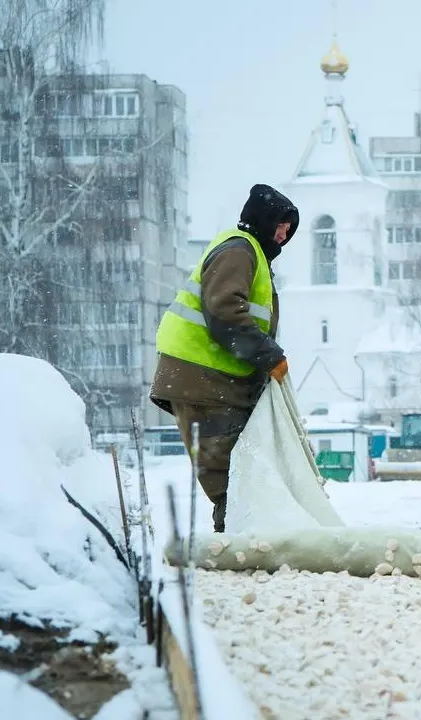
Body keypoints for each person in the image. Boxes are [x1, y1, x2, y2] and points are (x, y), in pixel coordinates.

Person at [150, 184, 299, 532]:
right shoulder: (239, 251)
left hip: (215, 380)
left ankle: (243, 540)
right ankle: (238, 544)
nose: (283, 234)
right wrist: (268, 356)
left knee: (241, 476)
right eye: (280, 225)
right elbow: (225, 313)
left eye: (288, 229)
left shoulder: (250, 254)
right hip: (202, 379)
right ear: (263, 220)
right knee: (230, 480)